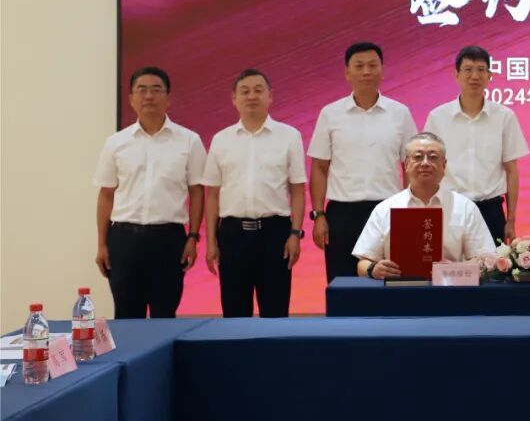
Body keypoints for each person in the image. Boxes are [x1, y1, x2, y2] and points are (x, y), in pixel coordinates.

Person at [92, 66, 206, 318]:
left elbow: (197, 192)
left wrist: (193, 236)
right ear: (131, 98)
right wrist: (102, 244)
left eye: (156, 90)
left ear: (168, 98)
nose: (149, 96)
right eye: (141, 90)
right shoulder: (116, 143)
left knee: (164, 315)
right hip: (123, 240)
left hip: (168, 240)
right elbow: (106, 194)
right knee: (126, 316)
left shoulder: (189, 141)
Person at [308, 42, 417, 282]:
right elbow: (319, 168)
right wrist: (319, 215)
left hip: (388, 211)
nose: (366, 71)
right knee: (343, 284)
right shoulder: (330, 114)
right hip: (342, 215)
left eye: (372, 65)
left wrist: (408, 211)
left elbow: (410, 166)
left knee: (390, 283)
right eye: (359, 66)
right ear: (347, 73)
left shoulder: (399, 113)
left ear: (382, 70)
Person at [202, 69, 307, 317]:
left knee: (275, 312)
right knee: (234, 313)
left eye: (259, 90)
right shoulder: (221, 139)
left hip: (275, 234)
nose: (252, 96)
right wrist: (211, 242)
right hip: (232, 235)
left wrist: (295, 234)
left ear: (270, 96)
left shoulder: (289, 136)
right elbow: (212, 195)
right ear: (234, 99)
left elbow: (297, 190)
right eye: (245, 91)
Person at [353, 132, 496, 278]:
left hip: (449, 288)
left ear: (444, 165)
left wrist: (456, 268)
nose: (425, 163)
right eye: (418, 157)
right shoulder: (385, 209)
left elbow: (486, 260)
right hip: (398, 289)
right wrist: (373, 269)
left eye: (433, 157)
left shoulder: (465, 208)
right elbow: (363, 263)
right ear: (406, 164)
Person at [424, 45, 529, 243]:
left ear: (489, 75)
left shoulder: (504, 117)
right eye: (468, 69)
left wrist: (511, 219)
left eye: (481, 70)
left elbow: (511, 170)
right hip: (450, 208)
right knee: (448, 262)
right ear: (456, 75)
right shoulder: (438, 117)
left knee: (493, 263)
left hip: (490, 210)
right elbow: (428, 169)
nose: (474, 76)